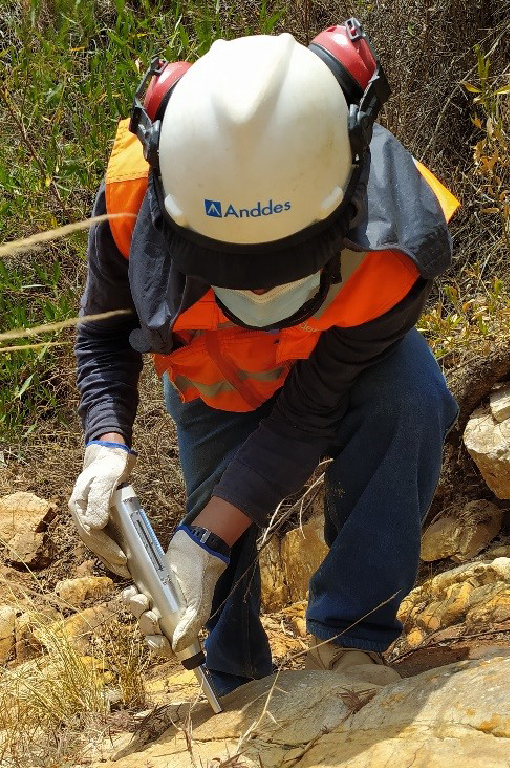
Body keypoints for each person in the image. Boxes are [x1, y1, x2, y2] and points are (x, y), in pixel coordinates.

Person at [68, 19, 460, 698]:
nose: (255, 291)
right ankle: (235, 681)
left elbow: (308, 413)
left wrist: (209, 536)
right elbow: (103, 337)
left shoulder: (397, 234)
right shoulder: (136, 197)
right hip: (212, 386)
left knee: (411, 397)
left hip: (340, 378)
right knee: (214, 554)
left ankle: (352, 638)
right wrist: (105, 442)